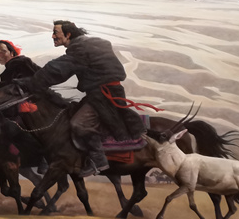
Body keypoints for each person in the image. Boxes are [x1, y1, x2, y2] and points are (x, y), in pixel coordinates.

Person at [17, 20, 146, 176]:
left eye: (55, 32)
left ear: (68, 34)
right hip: (100, 93)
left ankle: (98, 161)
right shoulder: (87, 45)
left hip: (103, 96)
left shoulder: (80, 48)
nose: (53, 36)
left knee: (79, 124)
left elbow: (57, 69)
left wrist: (32, 83)